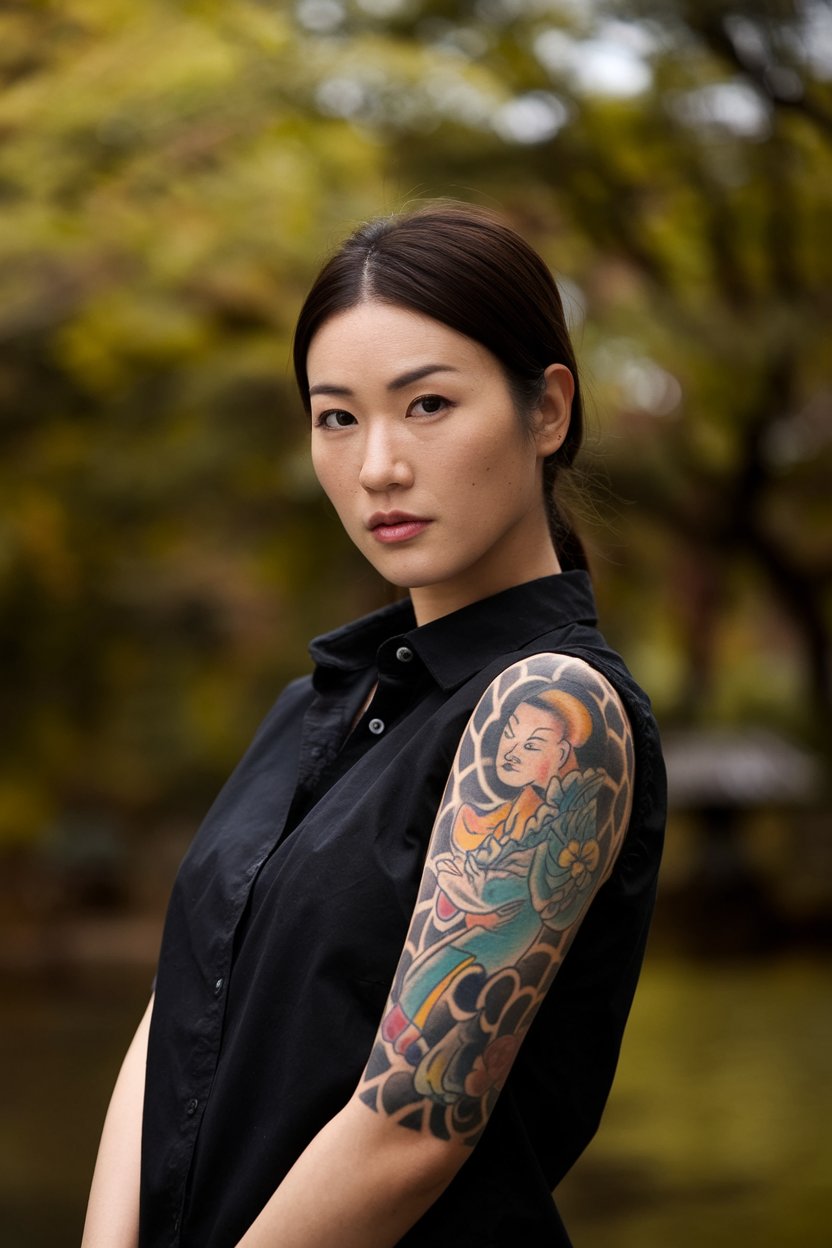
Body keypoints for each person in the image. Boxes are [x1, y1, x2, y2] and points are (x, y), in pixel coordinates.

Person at [82, 201, 665, 1248]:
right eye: (336, 416)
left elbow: (411, 1124)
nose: (377, 467)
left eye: (428, 404)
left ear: (548, 410)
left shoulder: (549, 709)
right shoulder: (314, 704)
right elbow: (182, 999)